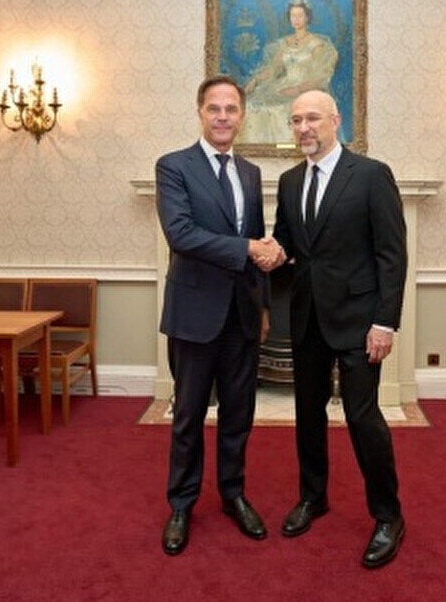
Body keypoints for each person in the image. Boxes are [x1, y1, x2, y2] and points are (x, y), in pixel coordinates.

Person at [268, 90, 407, 568]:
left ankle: (388, 516)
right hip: (306, 318)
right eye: (295, 120)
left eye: (312, 118)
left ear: (335, 120)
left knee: (363, 418)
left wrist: (384, 323)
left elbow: (391, 256)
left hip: (359, 322)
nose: (303, 127)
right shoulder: (289, 181)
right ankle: (313, 497)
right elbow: (289, 243)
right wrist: (267, 251)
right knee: (307, 414)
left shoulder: (371, 175)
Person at [155, 75, 284, 556]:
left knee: (238, 413)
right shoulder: (174, 166)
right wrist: (248, 247)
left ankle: (233, 495)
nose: (223, 117)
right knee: (189, 415)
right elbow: (181, 234)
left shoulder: (249, 172)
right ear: (200, 112)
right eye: (215, 108)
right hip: (194, 314)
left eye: (231, 109)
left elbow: (257, 239)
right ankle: (181, 505)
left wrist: (264, 304)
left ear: (242, 116)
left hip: (243, 316)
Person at [240, 0, 339, 145]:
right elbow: (273, 70)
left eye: (300, 16)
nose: (296, 19)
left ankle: (287, 147)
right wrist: (255, 80)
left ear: (307, 18)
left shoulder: (317, 45)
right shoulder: (285, 43)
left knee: (281, 109)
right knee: (252, 104)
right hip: (283, 85)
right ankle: (262, 149)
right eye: (293, 15)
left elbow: (321, 78)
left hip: (306, 89)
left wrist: (297, 89)